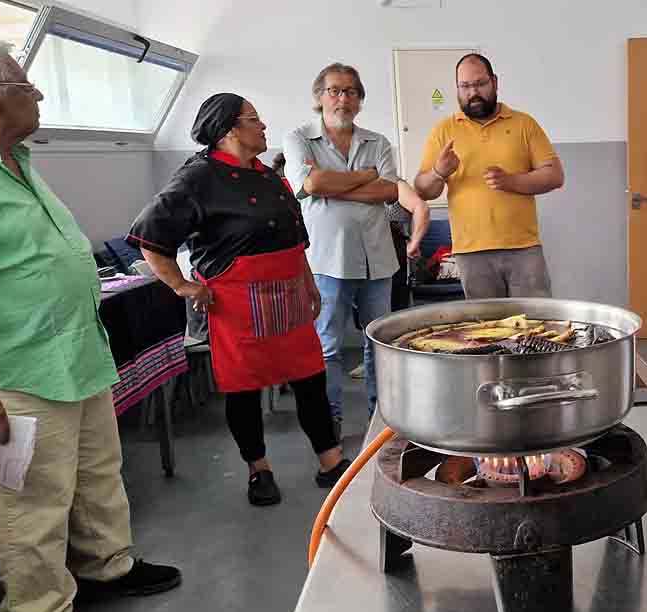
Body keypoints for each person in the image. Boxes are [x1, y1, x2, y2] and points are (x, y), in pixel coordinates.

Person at [0, 32, 180, 612]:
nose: (38, 95)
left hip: (75, 356)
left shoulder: (17, 160)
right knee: (27, 508)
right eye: (26, 86)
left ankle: (108, 568)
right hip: (12, 376)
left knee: (97, 478)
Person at [129, 93, 351, 507]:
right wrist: (183, 286)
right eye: (254, 119)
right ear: (229, 129)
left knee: (310, 378)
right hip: (236, 304)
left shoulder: (268, 176)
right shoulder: (198, 177)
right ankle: (258, 470)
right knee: (243, 389)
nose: (263, 126)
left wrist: (308, 283)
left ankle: (331, 461)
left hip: (289, 295)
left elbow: (294, 239)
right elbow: (150, 236)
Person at [282, 63, 402, 424]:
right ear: (320, 97)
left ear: (359, 100)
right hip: (326, 262)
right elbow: (311, 185)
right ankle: (330, 423)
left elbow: (389, 191)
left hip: (377, 260)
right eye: (334, 90)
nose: (342, 98)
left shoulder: (377, 142)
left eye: (350, 91)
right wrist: (365, 177)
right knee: (328, 347)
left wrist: (332, 185)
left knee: (379, 345)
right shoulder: (299, 139)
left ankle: (381, 422)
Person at [414, 53, 564, 298]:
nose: (473, 92)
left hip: (523, 249)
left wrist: (512, 181)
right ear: (457, 89)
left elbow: (555, 175)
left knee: (533, 319)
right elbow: (422, 189)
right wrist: (438, 172)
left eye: (480, 84)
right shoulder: (444, 130)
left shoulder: (524, 124)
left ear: (494, 82)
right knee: (485, 322)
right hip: (471, 254)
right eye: (465, 86)